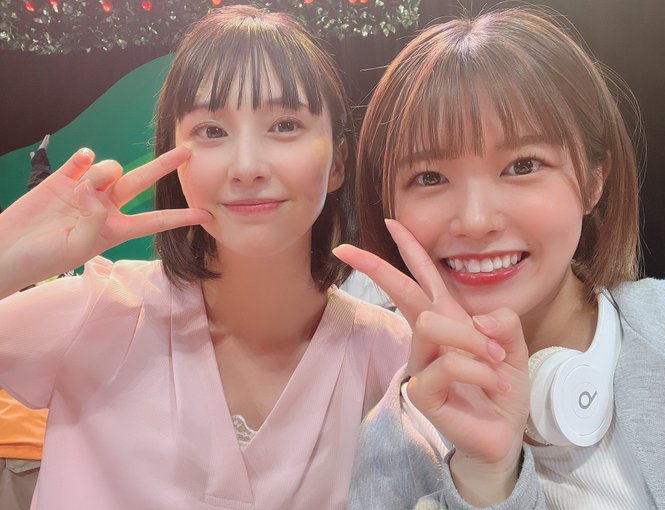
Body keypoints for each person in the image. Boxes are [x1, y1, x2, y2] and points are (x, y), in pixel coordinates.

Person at [0, 6, 410, 509]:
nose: (247, 166)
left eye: (285, 124)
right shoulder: (99, 313)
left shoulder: (394, 360)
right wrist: (6, 259)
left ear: (339, 162)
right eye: (212, 131)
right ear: (173, 157)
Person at [334, 7, 665, 509]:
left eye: (523, 165)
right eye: (429, 177)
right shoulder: (389, 450)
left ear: (594, 179)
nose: (475, 221)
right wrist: (486, 477)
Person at [0, 134, 55, 510]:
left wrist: (40, 168)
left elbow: (44, 219)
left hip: (30, 449)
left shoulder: (45, 279)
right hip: (24, 448)